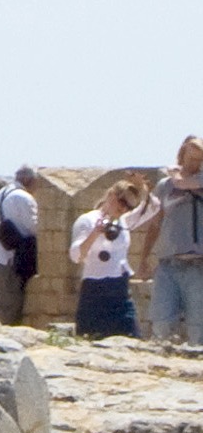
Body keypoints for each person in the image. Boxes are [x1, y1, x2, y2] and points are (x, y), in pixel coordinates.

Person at [72, 178, 156, 340]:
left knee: (132, 338)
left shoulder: (123, 221)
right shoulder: (87, 220)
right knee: (90, 340)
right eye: (122, 201)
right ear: (111, 195)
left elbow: (153, 208)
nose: (123, 208)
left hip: (119, 288)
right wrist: (95, 233)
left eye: (129, 206)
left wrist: (144, 188)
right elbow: (76, 255)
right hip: (95, 289)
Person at [145, 139, 203, 348]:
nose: (195, 164)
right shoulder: (164, 187)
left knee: (198, 326)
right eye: (191, 158)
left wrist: (174, 173)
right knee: (161, 322)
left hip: (197, 265)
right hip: (168, 263)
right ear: (182, 156)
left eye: (199, 159)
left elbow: (182, 183)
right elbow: (155, 223)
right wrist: (145, 257)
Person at [0, 168, 41, 327]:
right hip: (11, 258)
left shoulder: (4, 191)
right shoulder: (23, 197)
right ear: (29, 180)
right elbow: (34, 227)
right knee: (11, 305)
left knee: (0, 304)